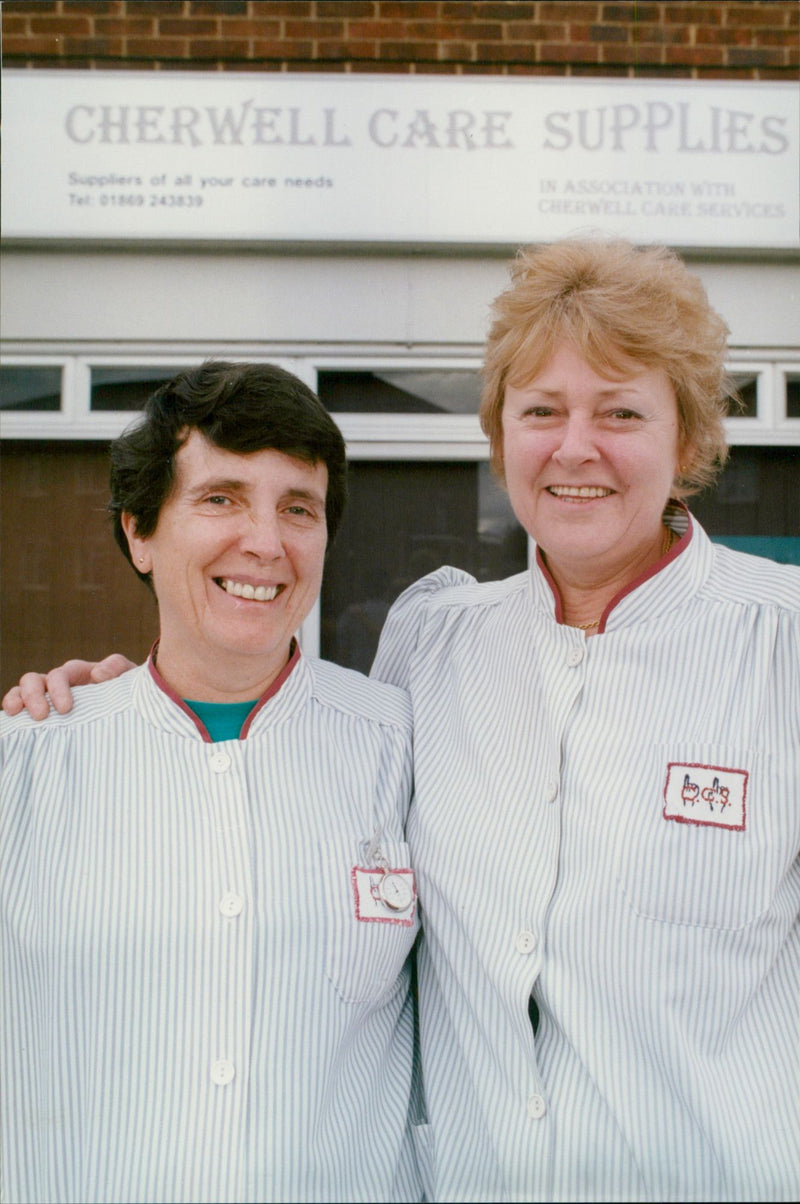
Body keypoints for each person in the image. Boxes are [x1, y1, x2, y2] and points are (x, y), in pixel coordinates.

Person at [6, 239, 800, 1202]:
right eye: (540, 411)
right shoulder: (436, 645)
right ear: (503, 439)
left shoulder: (778, 647)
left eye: (621, 412)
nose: (574, 447)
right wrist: (106, 714)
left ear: (687, 440)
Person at [0, 362, 423, 1204]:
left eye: (297, 508)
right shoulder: (27, 761)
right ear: (139, 533)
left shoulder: (406, 748)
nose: (265, 542)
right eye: (222, 498)